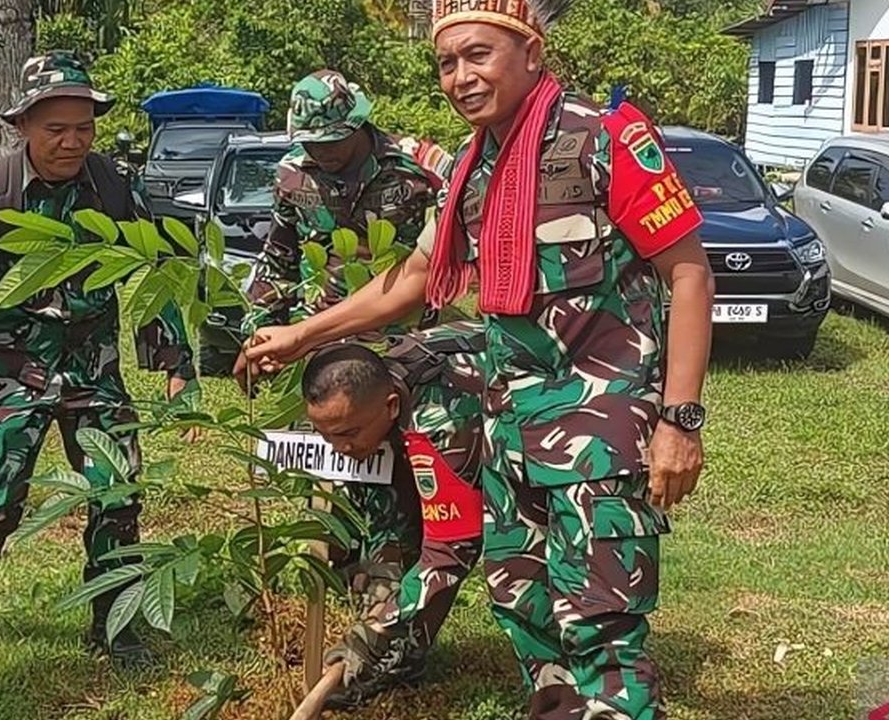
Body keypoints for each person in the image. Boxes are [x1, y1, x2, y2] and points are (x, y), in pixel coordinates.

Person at [240, 0, 716, 716]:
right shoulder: (471, 167)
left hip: (600, 428)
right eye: (446, 62)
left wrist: (680, 420)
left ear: (531, 54)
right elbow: (414, 278)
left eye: (478, 55)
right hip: (509, 429)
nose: (460, 76)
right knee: (522, 601)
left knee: (598, 618)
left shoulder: (604, 140)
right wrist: (302, 334)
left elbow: (690, 274)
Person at [0, 50, 195, 670]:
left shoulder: (115, 187)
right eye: (56, 129)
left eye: (84, 128)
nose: (72, 142)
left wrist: (177, 364)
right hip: (15, 367)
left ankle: (114, 618)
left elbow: (153, 273)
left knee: (117, 491)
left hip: (93, 364)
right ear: (23, 126)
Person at [247, 69, 450, 618]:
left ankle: (391, 580)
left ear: (360, 126)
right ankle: (339, 570)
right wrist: (261, 328)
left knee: (399, 469)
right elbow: (278, 259)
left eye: (334, 141)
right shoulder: (293, 176)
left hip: (403, 346)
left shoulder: (418, 167)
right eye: (313, 143)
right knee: (339, 457)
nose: (324, 153)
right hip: (326, 342)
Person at [301, 322, 485, 709]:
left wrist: (376, 631)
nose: (338, 448)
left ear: (391, 407)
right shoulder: (361, 394)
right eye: (326, 435)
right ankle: (398, 656)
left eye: (348, 434)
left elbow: (451, 549)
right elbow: (388, 519)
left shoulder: (440, 422)